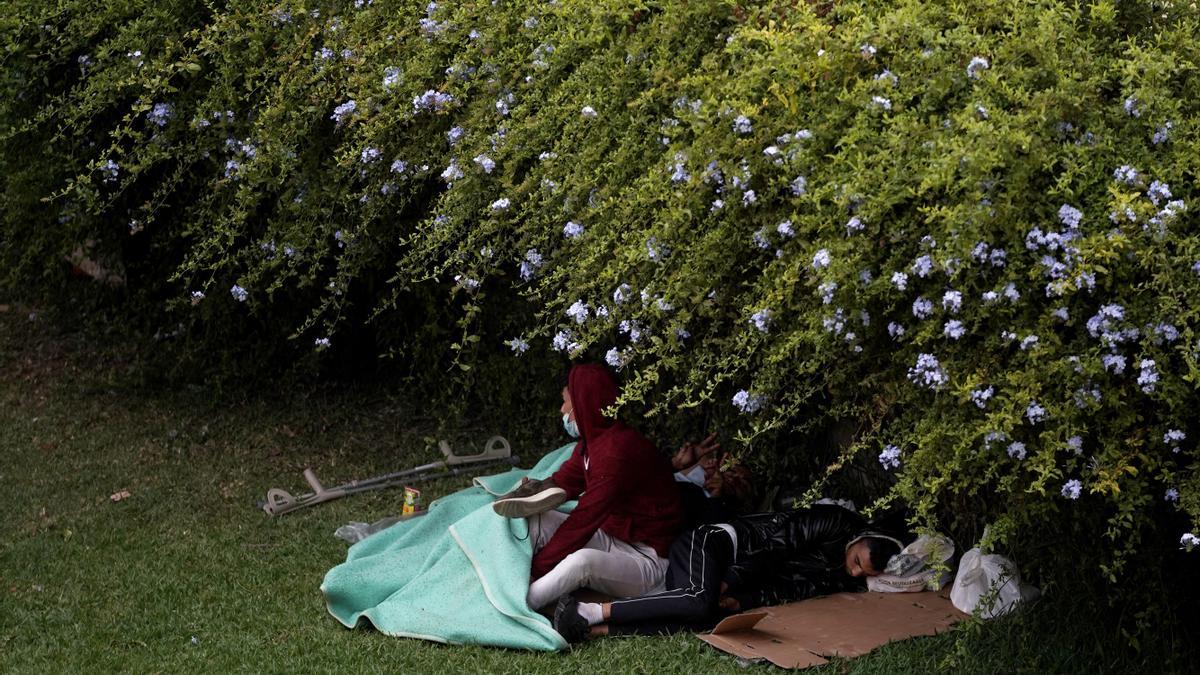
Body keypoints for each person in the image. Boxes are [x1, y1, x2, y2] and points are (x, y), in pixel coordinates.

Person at [551, 503, 902, 642]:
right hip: (716, 543)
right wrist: (730, 579)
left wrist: (742, 599)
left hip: (732, 574)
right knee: (699, 600)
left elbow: (791, 588)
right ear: (860, 538)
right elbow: (773, 548)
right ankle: (587, 610)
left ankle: (597, 629)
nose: (854, 573)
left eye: (863, 573)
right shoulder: (834, 522)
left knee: (705, 618)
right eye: (857, 561)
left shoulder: (840, 577)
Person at [493, 364, 685, 611]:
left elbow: (583, 520)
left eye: (566, 402)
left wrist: (539, 567)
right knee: (536, 520)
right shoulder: (592, 443)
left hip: (649, 560)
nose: (562, 410)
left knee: (581, 562)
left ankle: (513, 607)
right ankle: (501, 579)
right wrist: (533, 490)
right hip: (613, 538)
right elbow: (565, 482)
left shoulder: (616, 452)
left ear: (584, 404)